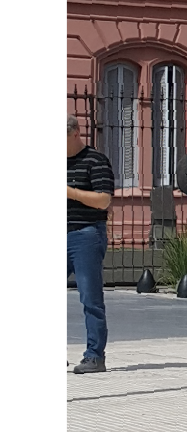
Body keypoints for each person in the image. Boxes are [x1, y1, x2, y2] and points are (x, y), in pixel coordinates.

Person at [67, 113, 113, 374]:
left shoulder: (95, 160)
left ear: (75, 133)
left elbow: (103, 200)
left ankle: (94, 356)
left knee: (90, 298)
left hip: (86, 234)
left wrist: (68, 191)